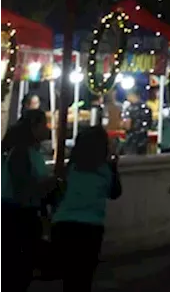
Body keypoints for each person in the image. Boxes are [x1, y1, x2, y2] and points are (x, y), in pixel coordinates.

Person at [52, 125, 123, 292]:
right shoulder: (105, 170)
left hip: (63, 224)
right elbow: (115, 193)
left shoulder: (71, 167)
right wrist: (114, 167)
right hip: (90, 227)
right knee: (83, 278)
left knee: (69, 278)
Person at [0, 110, 55, 292]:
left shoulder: (29, 152)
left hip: (22, 213)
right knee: (18, 269)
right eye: (43, 125)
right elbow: (22, 187)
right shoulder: (21, 153)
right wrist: (48, 185)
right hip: (17, 214)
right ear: (33, 127)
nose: (46, 129)